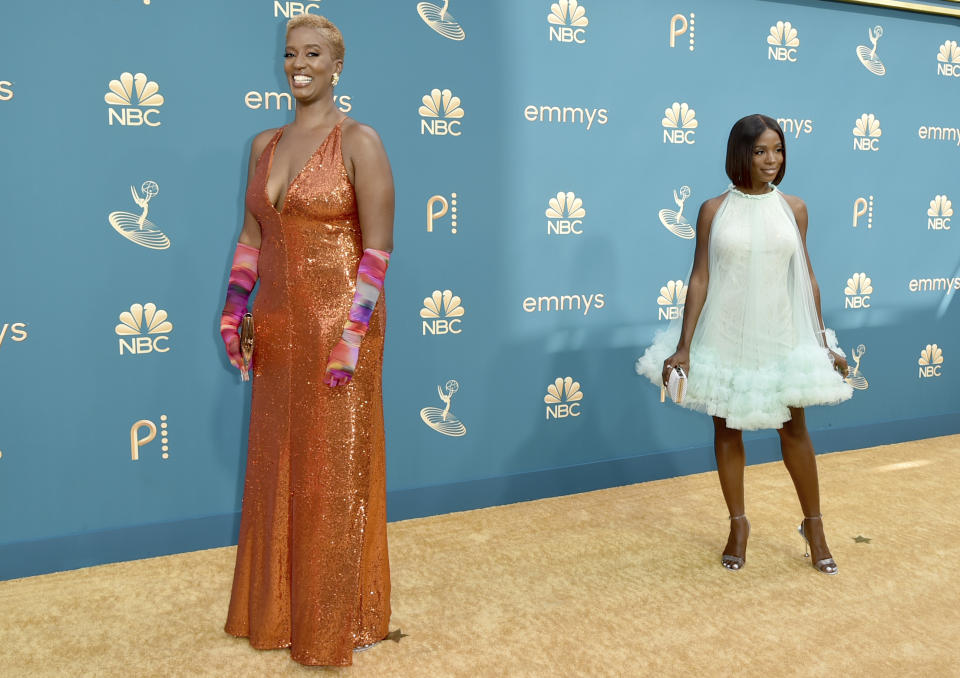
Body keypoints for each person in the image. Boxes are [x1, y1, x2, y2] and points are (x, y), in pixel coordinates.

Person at [219, 14, 394, 665]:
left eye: (313, 53)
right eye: (291, 53)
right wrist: (235, 310)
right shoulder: (264, 142)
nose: (299, 64)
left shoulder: (361, 141)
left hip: (340, 332)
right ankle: (276, 613)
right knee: (277, 470)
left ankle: (333, 623)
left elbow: (376, 251)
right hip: (280, 330)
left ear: (337, 64)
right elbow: (251, 235)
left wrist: (352, 337)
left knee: (331, 478)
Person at [636, 115, 852, 575]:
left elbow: (805, 278)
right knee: (726, 430)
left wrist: (821, 342)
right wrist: (684, 347)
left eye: (777, 150)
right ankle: (738, 525)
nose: (771, 160)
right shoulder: (714, 210)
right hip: (726, 332)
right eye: (760, 152)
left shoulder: (794, 208)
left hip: (780, 333)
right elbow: (700, 278)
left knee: (794, 431)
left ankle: (814, 526)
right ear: (741, 155)